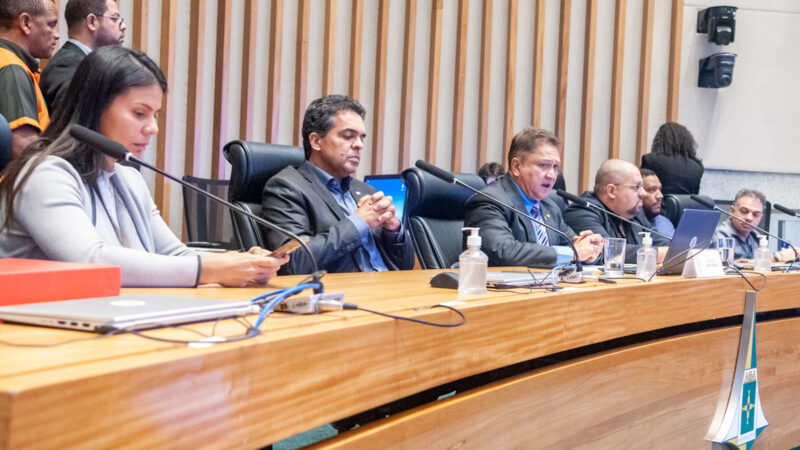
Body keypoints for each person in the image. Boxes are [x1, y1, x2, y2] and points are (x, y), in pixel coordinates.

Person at [0, 46, 287, 287]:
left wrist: (241, 262)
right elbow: (90, 260)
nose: (153, 128)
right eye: (139, 113)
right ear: (94, 107)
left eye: (156, 115)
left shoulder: (127, 178)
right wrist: (210, 270)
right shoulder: (45, 173)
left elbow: (174, 254)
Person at [262, 95, 415, 275]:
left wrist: (393, 229)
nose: (359, 145)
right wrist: (359, 221)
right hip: (343, 296)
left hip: (389, 288)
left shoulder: (367, 191)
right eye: (348, 136)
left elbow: (405, 266)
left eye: (361, 138)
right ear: (316, 141)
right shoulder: (285, 187)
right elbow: (294, 261)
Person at [463, 127, 603, 268]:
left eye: (555, 167)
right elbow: (503, 252)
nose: (552, 175)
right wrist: (573, 252)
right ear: (516, 166)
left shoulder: (550, 207)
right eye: (544, 165)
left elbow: (575, 246)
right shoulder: (489, 201)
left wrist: (591, 250)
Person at [563, 159, 670, 264]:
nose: (643, 193)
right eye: (637, 187)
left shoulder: (634, 211)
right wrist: (663, 254)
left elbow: (663, 242)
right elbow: (604, 251)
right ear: (611, 191)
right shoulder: (582, 211)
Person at [40, 0, 126, 113]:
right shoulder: (67, 64)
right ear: (91, 22)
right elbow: (72, 123)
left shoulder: (84, 62)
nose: (123, 26)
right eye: (114, 19)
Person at [0, 0, 59, 160]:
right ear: (25, 23)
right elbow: (22, 146)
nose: (57, 34)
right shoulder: (13, 69)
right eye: (51, 25)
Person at [641, 122, 704, 196]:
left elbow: (642, 186)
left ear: (660, 140)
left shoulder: (651, 159)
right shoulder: (697, 166)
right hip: (686, 206)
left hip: (660, 205)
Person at [640, 168, 675, 239]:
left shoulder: (665, 223)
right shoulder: (630, 226)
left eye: (660, 189)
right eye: (652, 189)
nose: (660, 196)